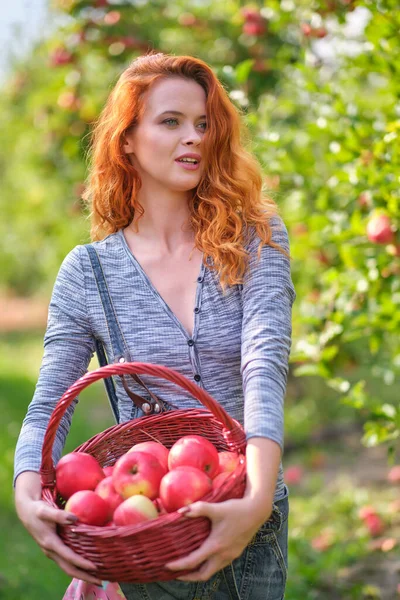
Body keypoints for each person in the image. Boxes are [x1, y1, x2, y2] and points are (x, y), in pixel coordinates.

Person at [13, 51, 296, 600]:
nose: (193, 137)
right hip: (147, 528)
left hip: (250, 514)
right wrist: (28, 496)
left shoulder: (255, 236)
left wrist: (256, 500)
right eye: (171, 122)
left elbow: (264, 363)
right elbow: (52, 401)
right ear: (126, 139)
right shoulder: (89, 272)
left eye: (203, 124)